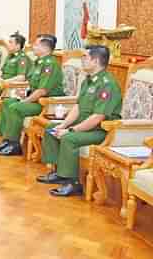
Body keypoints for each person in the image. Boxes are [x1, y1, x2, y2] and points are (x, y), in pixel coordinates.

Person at [38, 45, 122, 197]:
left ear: (95, 61)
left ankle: (73, 182)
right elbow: (77, 107)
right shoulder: (88, 81)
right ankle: (59, 172)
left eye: (85, 57)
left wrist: (70, 130)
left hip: (101, 131)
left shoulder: (107, 84)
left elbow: (97, 117)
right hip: (84, 126)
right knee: (51, 128)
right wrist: (62, 125)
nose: (81, 60)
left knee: (69, 138)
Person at [0, 34, 64, 156]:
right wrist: (24, 92)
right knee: (8, 102)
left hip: (46, 104)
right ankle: (7, 140)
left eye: (36, 45)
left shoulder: (50, 64)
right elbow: (32, 84)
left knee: (16, 108)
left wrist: (25, 101)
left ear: (45, 48)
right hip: (35, 99)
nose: (32, 47)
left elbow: (42, 90)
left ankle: (15, 145)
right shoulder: (39, 62)